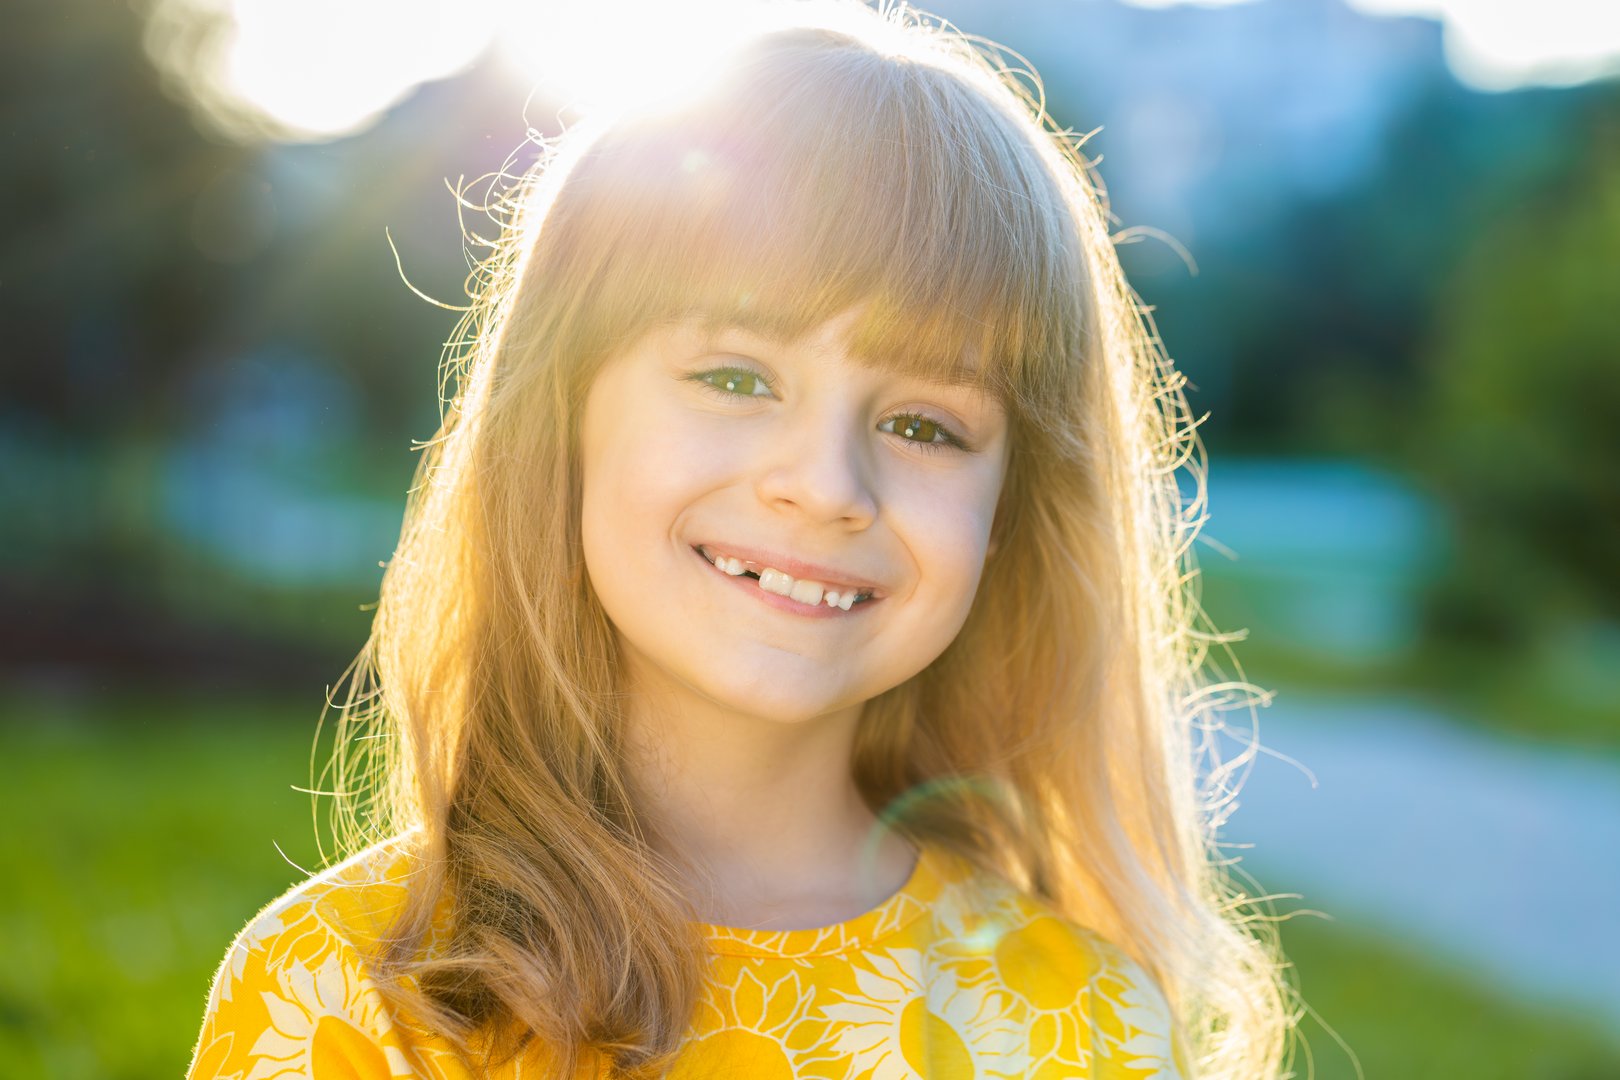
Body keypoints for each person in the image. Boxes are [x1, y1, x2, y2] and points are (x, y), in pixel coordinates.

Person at [185, 1, 1296, 1077]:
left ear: (1011, 515)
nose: (824, 486)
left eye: (923, 424)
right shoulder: (349, 994)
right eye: (735, 376)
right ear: (561, 419)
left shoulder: (1082, 1022)